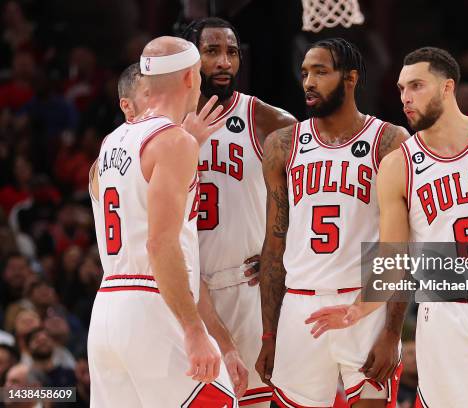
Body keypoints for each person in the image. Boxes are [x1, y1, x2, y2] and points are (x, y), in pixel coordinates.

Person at [306, 47, 468, 407]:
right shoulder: (398, 166)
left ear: (447, 88)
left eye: (416, 86)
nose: (406, 98)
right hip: (444, 319)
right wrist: (358, 308)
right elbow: (393, 259)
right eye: (400, 89)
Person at [256, 38, 409, 408]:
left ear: (351, 78)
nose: (308, 82)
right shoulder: (282, 145)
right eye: (305, 73)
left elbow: (401, 246)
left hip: (364, 303)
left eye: (320, 72)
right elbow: (274, 246)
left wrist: (391, 332)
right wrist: (270, 335)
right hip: (300, 306)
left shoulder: (389, 141)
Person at [87, 36, 237, 407]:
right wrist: (193, 329)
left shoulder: (110, 142)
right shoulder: (173, 142)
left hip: (106, 309)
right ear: (190, 78)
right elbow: (160, 244)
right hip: (153, 306)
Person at [181, 17, 297, 406]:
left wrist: (284, 255)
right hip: (188, 293)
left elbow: (310, 200)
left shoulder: (267, 121)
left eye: (231, 52)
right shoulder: (166, 125)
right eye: (212, 51)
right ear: (190, 59)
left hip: (246, 288)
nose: (224, 62)